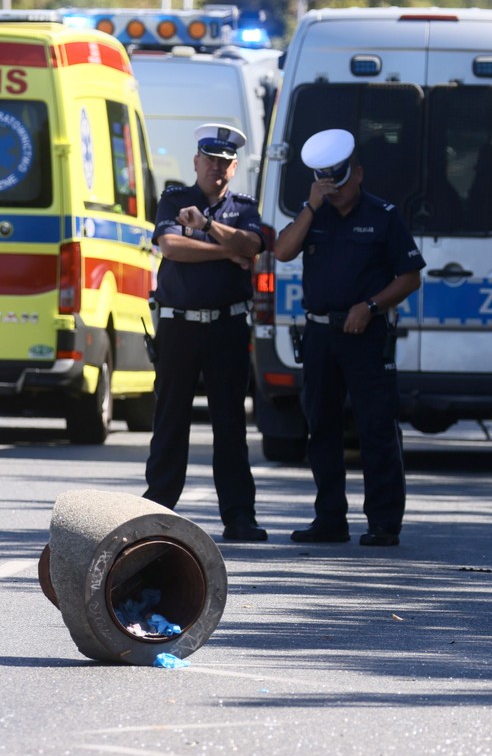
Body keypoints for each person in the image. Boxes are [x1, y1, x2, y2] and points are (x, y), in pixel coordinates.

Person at [271, 129, 425, 546]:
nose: (334, 193)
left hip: (366, 334)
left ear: (357, 174)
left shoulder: (383, 215)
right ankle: (330, 519)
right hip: (320, 334)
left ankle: (383, 522)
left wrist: (371, 306)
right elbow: (282, 252)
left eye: (338, 184)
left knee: (376, 427)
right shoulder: (314, 214)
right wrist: (309, 206)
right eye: (325, 185)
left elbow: (410, 276)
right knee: (321, 427)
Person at [142, 123, 267, 542]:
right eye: (210, 161)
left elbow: (252, 246)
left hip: (228, 327)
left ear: (234, 169)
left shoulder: (245, 207)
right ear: (196, 161)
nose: (216, 169)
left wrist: (211, 230)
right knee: (171, 419)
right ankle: (157, 509)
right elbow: (173, 248)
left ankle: (239, 515)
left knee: (230, 424)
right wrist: (226, 251)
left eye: (224, 163)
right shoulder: (175, 199)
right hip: (179, 325)